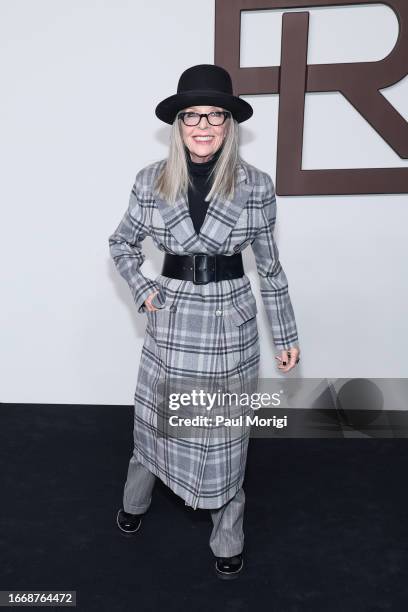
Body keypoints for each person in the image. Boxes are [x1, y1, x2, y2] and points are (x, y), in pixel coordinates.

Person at [108, 64, 300, 580]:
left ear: (228, 124)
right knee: (157, 419)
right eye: (193, 115)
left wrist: (286, 334)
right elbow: (121, 244)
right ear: (179, 124)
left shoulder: (256, 185)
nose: (203, 126)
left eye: (215, 115)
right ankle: (135, 501)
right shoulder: (150, 179)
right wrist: (146, 289)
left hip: (229, 321)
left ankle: (228, 533)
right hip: (171, 317)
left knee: (224, 435)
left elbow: (270, 267)